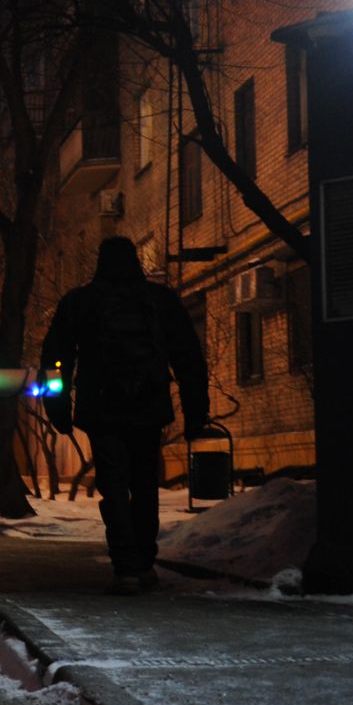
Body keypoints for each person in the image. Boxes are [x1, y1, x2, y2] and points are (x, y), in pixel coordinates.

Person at [40, 236, 209, 594]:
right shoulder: (159, 300)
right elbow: (188, 356)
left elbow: (56, 359)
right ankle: (146, 564)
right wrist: (196, 411)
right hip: (149, 407)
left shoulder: (80, 302)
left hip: (102, 409)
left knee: (113, 486)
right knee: (145, 485)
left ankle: (126, 567)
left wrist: (57, 406)